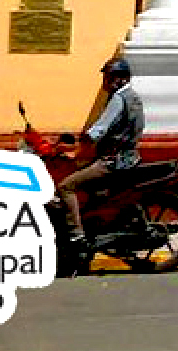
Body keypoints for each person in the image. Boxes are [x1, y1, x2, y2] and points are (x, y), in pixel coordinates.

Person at [59, 57, 145, 243]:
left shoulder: (118, 99)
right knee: (82, 171)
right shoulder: (134, 97)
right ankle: (94, 222)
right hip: (129, 157)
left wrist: (75, 151)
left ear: (120, 79)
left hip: (113, 162)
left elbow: (99, 129)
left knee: (66, 186)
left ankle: (76, 235)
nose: (105, 81)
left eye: (108, 77)